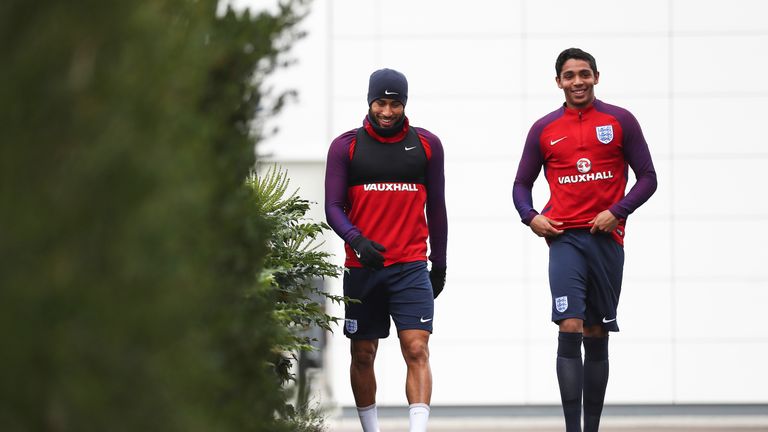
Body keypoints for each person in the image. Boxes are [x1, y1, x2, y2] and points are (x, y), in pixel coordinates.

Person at [513, 48, 657, 432]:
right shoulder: (544, 128)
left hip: (607, 239)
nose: (577, 81)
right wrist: (532, 217)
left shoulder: (620, 121)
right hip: (565, 240)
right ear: (558, 81)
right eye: (569, 75)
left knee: (596, 330)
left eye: (584, 74)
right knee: (569, 324)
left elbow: (647, 178)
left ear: (596, 76)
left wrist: (618, 211)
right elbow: (520, 184)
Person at [325, 68, 448, 432]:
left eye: (396, 104)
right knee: (363, 354)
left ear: (405, 104)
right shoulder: (346, 146)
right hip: (362, 270)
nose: (388, 111)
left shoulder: (427, 145)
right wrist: (358, 241)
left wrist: (438, 264)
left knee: (416, 349)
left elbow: (437, 208)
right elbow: (332, 207)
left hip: (410, 267)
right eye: (381, 102)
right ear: (370, 102)